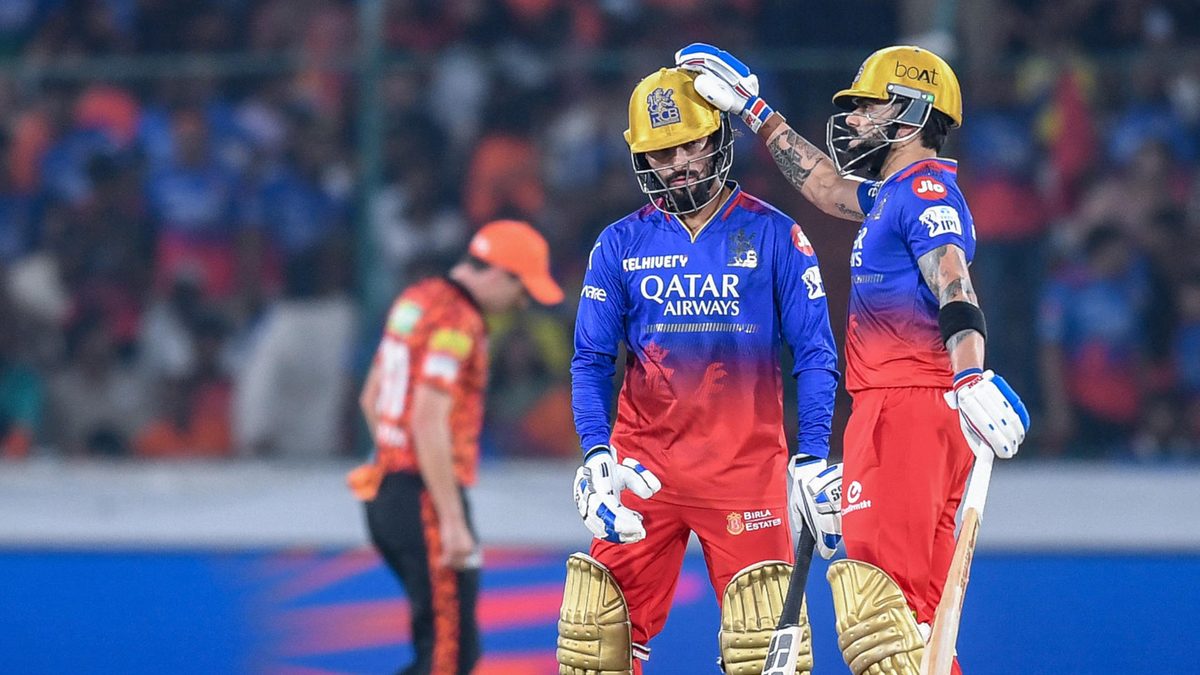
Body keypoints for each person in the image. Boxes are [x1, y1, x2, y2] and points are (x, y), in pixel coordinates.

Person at [674, 44, 1030, 674]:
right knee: (917, 620)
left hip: (909, 407)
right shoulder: (891, 196)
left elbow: (954, 282)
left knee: (879, 611)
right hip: (893, 414)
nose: (855, 120)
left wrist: (970, 370)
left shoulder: (923, 192)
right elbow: (827, 187)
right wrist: (755, 112)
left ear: (914, 115)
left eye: (869, 107)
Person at [559, 67, 841, 675]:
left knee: (768, 659)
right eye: (663, 151)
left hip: (746, 473)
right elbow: (590, 360)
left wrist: (813, 456)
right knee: (593, 649)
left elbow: (816, 354)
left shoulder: (775, 235)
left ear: (719, 138)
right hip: (643, 474)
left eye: (691, 143)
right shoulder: (618, 244)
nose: (680, 162)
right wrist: (594, 454)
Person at [348, 219, 563, 675]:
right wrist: (451, 519)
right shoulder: (459, 319)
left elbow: (371, 398)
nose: (521, 304)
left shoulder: (416, 299)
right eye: (522, 290)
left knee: (445, 651)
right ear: (500, 273)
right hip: (424, 497)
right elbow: (428, 420)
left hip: (386, 488)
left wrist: (394, 460)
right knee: (450, 656)